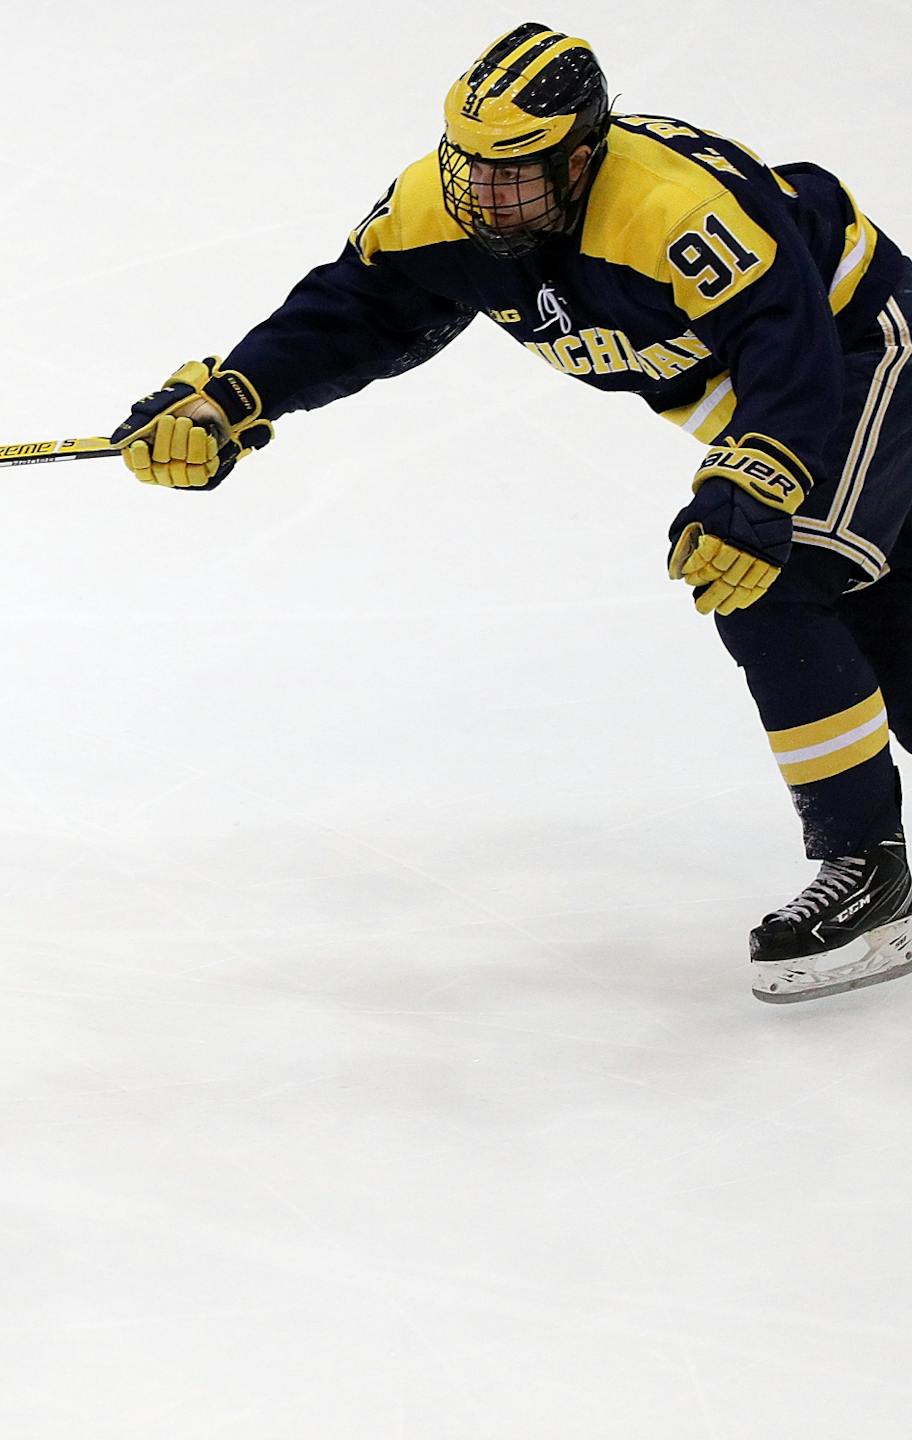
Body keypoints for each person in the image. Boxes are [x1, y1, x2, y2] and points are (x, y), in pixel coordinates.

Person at [111, 23, 912, 1003]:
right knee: (879, 605)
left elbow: (785, 336)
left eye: (516, 174)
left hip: (859, 353)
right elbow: (357, 309)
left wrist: (760, 475)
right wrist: (233, 396)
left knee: (773, 572)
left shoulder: (672, 210)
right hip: (778, 391)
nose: (487, 197)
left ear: (582, 157)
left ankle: (866, 861)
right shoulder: (436, 209)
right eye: (472, 169)